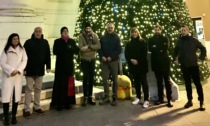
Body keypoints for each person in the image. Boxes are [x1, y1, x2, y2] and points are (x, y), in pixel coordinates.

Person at [173, 25, 206, 111]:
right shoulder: (179, 41)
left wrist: (201, 58)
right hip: (184, 66)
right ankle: (189, 100)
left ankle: (201, 101)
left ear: (188, 31)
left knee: (197, 84)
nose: (183, 32)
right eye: (182, 30)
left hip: (193, 65)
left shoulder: (193, 40)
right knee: (187, 84)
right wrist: (175, 59)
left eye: (184, 30)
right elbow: (175, 51)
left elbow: (203, 48)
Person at [23, 27, 51, 118]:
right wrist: (24, 68)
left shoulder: (45, 42)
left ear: (41, 32)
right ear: (34, 32)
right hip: (30, 70)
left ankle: (37, 107)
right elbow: (23, 57)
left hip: (40, 70)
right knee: (28, 89)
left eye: (39, 32)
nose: (38, 33)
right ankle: (27, 109)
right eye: (36, 31)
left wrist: (48, 66)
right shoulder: (28, 43)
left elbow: (47, 55)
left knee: (38, 89)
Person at [0, 33, 27, 125]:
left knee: (16, 97)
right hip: (8, 76)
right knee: (6, 97)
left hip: (17, 77)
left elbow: (25, 60)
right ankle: (6, 117)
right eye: (14, 39)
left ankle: (14, 116)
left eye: (17, 39)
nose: (16, 40)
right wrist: (11, 70)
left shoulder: (22, 49)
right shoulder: (6, 50)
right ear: (10, 40)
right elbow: (2, 62)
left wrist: (19, 70)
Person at [50, 27, 80, 111]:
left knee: (69, 85)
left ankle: (68, 103)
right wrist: (67, 47)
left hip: (69, 66)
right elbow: (55, 51)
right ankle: (59, 104)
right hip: (60, 66)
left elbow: (76, 50)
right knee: (60, 84)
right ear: (61, 33)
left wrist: (70, 47)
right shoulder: (57, 41)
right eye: (64, 31)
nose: (65, 33)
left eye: (67, 31)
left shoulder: (71, 41)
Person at [148, 25, 173, 107]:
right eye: (155, 30)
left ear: (161, 30)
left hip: (165, 63)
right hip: (156, 63)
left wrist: (156, 48)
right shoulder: (151, 39)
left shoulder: (165, 38)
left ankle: (169, 99)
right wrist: (159, 48)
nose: (157, 31)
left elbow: (165, 48)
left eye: (158, 29)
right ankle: (160, 98)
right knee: (159, 82)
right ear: (154, 31)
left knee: (167, 81)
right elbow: (150, 48)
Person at [125, 28, 149, 108]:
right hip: (133, 66)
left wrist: (138, 60)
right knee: (136, 83)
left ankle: (146, 100)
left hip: (141, 65)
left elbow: (144, 53)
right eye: (133, 32)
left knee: (144, 83)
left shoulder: (143, 42)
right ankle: (138, 97)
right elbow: (126, 53)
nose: (134, 34)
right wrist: (131, 60)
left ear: (138, 33)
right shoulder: (129, 42)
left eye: (135, 32)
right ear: (131, 34)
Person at [99, 23, 122, 106]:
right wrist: (102, 56)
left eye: (111, 28)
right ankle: (106, 97)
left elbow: (119, 49)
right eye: (108, 27)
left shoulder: (116, 37)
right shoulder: (102, 38)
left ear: (114, 28)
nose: (110, 29)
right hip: (104, 62)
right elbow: (100, 49)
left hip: (113, 61)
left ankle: (114, 97)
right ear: (106, 28)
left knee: (115, 80)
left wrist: (111, 57)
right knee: (105, 79)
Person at [78, 22, 101, 106]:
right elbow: (81, 48)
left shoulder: (94, 36)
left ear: (91, 28)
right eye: (87, 28)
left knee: (91, 78)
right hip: (84, 60)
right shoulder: (81, 36)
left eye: (89, 28)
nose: (88, 30)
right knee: (85, 78)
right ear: (84, 29)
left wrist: (88, 47)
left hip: (92, 59)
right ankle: (85, 97)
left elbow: (98, 46)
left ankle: (90, 97)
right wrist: (92, 48)